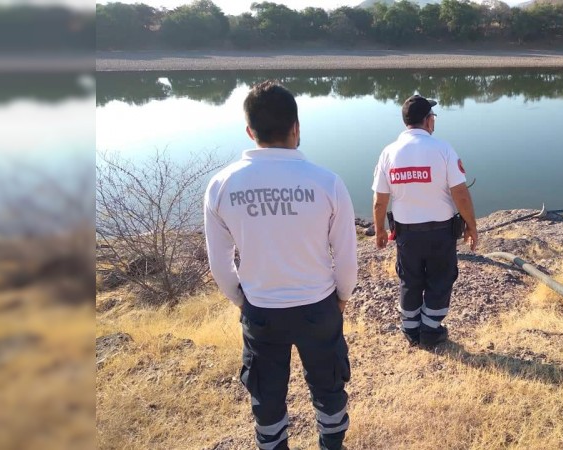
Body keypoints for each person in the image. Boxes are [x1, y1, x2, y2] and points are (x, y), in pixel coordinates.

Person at [204, 81, 357, 450]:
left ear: (250, 131)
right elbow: (347, 255)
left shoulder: (222, 185)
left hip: (261, 310)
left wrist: (243, 301)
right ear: (296, 128)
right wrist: (341, 298)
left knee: (266, 395)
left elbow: (220, 264)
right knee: (328, 386)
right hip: (318, 307)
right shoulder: (327, 182)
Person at [371, 94, 477, 348]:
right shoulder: (443, 149)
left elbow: (379, 200)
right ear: (428, 121)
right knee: (440, 279)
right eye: (433, 117)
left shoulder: (389, 153)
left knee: (410, 279)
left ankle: (410, 330)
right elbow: (460, 193)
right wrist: (471, 225)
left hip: (406, 234)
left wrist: (379, 230)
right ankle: (430, 330)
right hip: (441, 233)